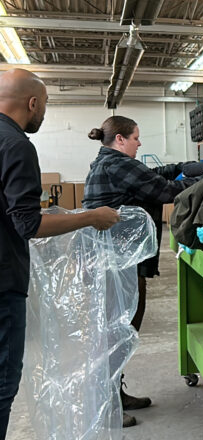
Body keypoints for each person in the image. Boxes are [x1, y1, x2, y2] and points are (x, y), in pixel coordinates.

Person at [0, 69, 120, 440]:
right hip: (3, 282)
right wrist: (91, 218)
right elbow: (27, 224)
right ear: (32, 103)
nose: (45, 113)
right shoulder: (17, 144)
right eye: (46, 105)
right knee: (3, 384)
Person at [83, 115, 203, 427]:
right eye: (136, 138)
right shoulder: (116, 164)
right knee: (116, 332)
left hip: (119, 261)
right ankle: (107, 405)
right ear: (121, 139)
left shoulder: (110, 162)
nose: (139, 143)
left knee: (121, 331)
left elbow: (153, 174)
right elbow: (164, 191)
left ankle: (115, 393)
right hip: (117, 264)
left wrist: (187, 166)